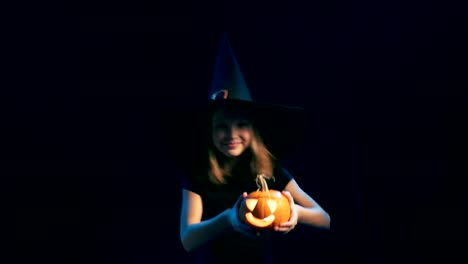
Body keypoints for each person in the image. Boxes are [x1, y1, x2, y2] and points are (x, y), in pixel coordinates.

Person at [177, 34, 331, 264]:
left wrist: (295, 213)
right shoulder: (198, 173)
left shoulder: (271, 168)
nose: (231, 135)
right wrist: (229, 218)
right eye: (222, 127)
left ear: (253, 130)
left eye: (241, 125)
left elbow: (324, 218)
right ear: (210, 131)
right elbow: (188, 238)